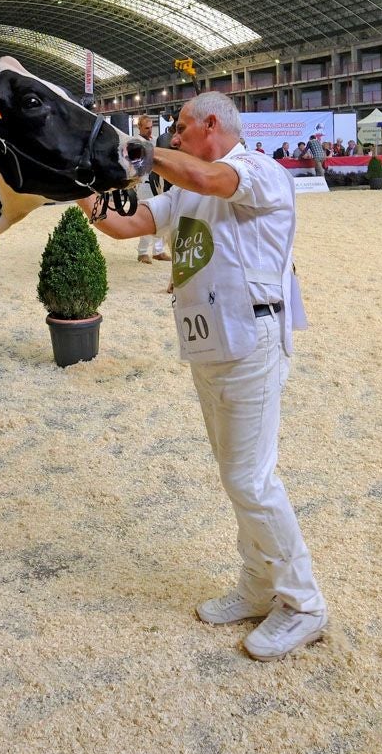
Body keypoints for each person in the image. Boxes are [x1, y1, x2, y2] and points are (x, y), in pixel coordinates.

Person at [76, 91, 327, 661]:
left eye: (180, 128)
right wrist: (85, 196)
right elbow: (131, 223)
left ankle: (303, 603)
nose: (173, 137)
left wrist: (138, 153)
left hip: (251, 341)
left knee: (251, 479)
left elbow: (211, 179)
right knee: (237, 474)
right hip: (210, 343)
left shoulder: (258, 173)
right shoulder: (186, 190)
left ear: (212, 124)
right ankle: (260, 585)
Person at [134, 115, 171, 264]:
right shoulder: (135, 143)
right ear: (140, 128)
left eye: (151, 127)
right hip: (144, 185)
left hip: (159, 183)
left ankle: (158, 251)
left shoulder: (156, 141)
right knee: (148, 218)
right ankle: (142, 252)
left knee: (161, 217)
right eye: (146, 128)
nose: (149, 130)